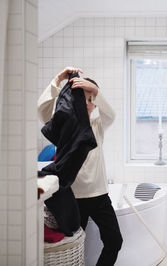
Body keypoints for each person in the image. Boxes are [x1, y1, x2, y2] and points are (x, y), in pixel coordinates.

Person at [38, 67, 123, 266]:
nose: (89, 104)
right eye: (84, 99)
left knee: (114, 241)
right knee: (75, 246)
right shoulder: (63, 126)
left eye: (92, 100)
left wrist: (94, 89)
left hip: (99, 196)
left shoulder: (98, 126)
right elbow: (41, 109)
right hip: (72, 197)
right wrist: (58, 79)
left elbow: (111, 113)